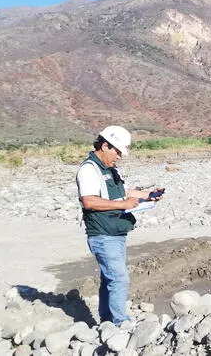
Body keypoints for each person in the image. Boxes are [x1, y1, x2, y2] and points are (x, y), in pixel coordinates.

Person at [75, 125, 161, 326]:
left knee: (109, 279)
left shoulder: (110, 170)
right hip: (103, 234)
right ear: (105, 146)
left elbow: (124, 192)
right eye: (118, 152)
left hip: (116, 232)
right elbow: (89, 201)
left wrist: (148, 196)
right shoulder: (89, 170)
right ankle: (120, 323)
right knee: (119, 279)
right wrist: (122, 205)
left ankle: (106, 320)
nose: (120, 156)